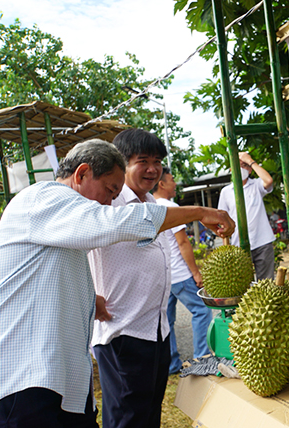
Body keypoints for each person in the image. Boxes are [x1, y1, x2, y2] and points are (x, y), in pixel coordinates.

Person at [0, 139, 233, 428]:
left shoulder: (64, 226)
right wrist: (199, 212)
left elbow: (50, 273)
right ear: (82, 174)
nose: (110, 202)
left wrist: (87, 297)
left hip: (62, 382)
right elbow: (113, 222)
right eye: (109, 191)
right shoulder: (42, 198)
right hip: (25, 382)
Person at [87, 129, 233, 428]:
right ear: (121, 164)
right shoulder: (109, 203)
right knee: (127, 416)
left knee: (149, 410)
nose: (153, 169)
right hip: (121, 329)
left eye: (158, 162)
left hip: (156, 328)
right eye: (143, 161)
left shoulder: (150, 203)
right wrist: (88, 294)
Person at [153, 166, 212, 375]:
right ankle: (203, 359)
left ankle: (170, 364)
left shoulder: (149, 205)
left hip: (163, 275)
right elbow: (183, 243)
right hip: (179, 273)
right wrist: (196, 272)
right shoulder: (171, 207)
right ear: (161, 183)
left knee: (166, 320)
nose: (174, 183)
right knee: (202, 311)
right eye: (171, 179)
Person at [217, 151, 276, 280]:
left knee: (266, 285)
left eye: (245, 165)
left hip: (262, 242)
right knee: (243, 286)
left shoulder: (256, 185)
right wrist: (226, 247)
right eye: (239, 165)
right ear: (232, 169)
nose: (242, 168)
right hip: (239, 245)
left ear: (250, 170)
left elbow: (268, 180)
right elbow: (222, 220)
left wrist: (250, 161)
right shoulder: (226, 192)